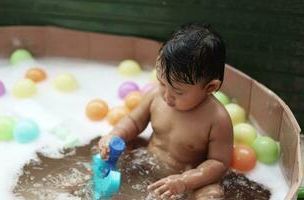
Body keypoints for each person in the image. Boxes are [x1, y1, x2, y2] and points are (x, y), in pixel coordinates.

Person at [99, 23, 233, 200]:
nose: (167, 95)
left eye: (178, 91)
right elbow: (133, 121)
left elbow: (219, 163)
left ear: (210, 87)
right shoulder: (155, 96)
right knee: (108, 153)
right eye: (162, 83)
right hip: (147, 160)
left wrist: (184, 181)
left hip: (188, 177)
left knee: (213, 195)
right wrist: (115, 135)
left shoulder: (217, 119)